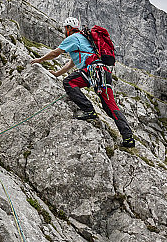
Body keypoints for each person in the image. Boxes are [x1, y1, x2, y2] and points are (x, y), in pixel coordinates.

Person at [31, 17, 135, 148]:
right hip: (104, 72)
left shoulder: (72, 38)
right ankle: (128, 138)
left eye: (65, 28)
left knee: (69, 82)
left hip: (93, 70)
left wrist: (39, 60)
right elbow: (72, 63)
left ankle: (88, 110)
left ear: (68, 28)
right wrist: (57, 73)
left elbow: (54, 53)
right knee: (110, 106)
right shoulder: (84, 39)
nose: (64, 31)